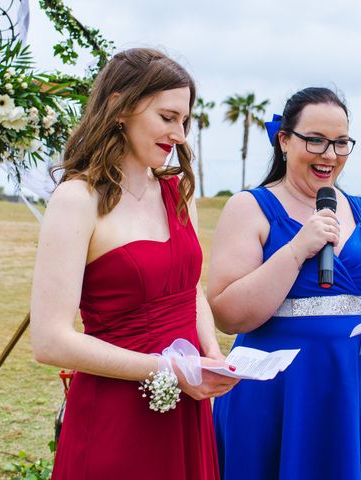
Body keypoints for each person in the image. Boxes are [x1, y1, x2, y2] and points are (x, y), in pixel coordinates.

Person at [30, 48, 238, 480]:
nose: (179, 134)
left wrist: (212, 354)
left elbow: (190, 290)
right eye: (167, 117)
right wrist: (170, 369)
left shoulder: (178, 190)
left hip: (187, 405)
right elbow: (49, 342)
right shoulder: (77, 199)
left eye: (185, 120)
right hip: (115, 416)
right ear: (119, 107)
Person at [207, 87, 361, 480]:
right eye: (315, 140)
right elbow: (227, 314)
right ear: (284, 141)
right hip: (278, 387)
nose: (330, 155)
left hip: (350, 383)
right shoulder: (249, 207)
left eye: (340, 143)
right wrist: (297, 248)